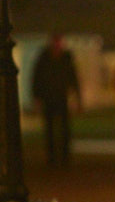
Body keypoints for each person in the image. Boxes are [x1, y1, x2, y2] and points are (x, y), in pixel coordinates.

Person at [31, 33, 82, 166]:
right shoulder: (44, 59)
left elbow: (73, 77)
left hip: (61, 97)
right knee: (50, 129)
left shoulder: (65, 58)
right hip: (49, 97)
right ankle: (52, 156)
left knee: (64, 128)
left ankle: (64, 156)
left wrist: (77, 97)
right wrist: (37, 97)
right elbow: (37, 79)